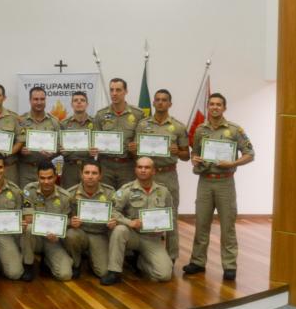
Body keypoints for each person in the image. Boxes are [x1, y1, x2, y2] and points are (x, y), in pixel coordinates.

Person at [183, 93, 255, 281]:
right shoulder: (200, 130)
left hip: (225, 182)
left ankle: (229, 265)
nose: (215, 107)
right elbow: (195, 154)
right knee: (201, 224)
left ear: (224, 108)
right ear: (208, 107)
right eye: (212, 104)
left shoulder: (234, 130)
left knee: (227, 226)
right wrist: (194, 159)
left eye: (218, 104)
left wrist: (233, 163)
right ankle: (197, 262)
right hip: (205, 181)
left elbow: (250, 153)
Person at [134, 89, 189, 262]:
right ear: (153, 103)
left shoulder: (178, 127)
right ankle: (144, 255)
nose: (160, 102)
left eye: (164, 100)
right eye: (157, 100)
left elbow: (187, 156)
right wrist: (133, 148)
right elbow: (136, 152)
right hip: (146, 176)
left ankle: (172, 256)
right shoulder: (143, 125)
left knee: (170, 216)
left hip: (168, 175)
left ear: (170, 104)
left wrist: (178, 151)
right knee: (143, 213)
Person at [105, 157, 174, 285]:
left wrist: (165, 226)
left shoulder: (163, 191)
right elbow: (112, 210)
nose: (143, 170)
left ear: (154, 171)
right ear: (135, 170)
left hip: (153, 239)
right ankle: (114, 272)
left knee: (164, 275)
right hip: (132, 234)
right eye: (140, 167)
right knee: (120, 230)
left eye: (147, 168)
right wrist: (128, 222)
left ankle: (141, 263)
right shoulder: (126, 190)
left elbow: (171, 216)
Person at [64, 161, 118, 279]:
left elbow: (117, 213)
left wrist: (114, 221)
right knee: (71, 235)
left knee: (103, 272)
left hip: (99, 234)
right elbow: (63, 217)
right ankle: (76, 263)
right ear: (81, 174)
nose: (90, 176)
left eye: (94, 173)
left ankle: (91, 258)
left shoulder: (109, 192)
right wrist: (70, 222)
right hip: (79, 232)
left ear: (100, 176)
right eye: (87, 172)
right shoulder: (70, 193)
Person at [22, 160, 73, 281]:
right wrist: (51, 226)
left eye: (50, 178)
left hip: (54, 240)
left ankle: (51, 260)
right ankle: (28, 265)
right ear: (37, 177)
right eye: (42, 178)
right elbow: (29, 218)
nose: (46, 182)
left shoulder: (65, 196)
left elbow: (67, 222)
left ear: (56, 177)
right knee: (29, 228)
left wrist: (58, 235)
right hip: (36, 238)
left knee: (65, 275)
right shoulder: (29, 190)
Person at [93, 78, 145, 189]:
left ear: (126, 92)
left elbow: (142, 141)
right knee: (106, 198)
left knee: (127, 200)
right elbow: (94, 140)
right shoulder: (101, 115)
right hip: (105, 165)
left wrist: (136, 147)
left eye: (118, 90)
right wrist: (93, 148)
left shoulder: (138, 114)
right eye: (111, 90)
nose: (114, 93)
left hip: (127, 165)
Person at [16, 86, 60, 189]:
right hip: (26, 170)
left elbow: (60, 146)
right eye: (36, 99)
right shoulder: (21, 121)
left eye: (42, 99)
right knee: (27, 200)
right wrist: (20, 150)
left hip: (47, 172)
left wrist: (53, 152)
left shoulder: (54, 122)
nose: (39, 102)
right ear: (30, 100)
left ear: (45, 100)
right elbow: (14, 144)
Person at [59, 91, 95, 189]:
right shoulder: (64, 124)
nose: (79, 102)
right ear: (72, 104)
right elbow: (58, 146)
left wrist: (96, 151)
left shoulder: (95, 123)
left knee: (89, 195)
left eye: (82, 100)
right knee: (69, 197)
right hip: (70, 167)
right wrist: (60, 150)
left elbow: (101, 143)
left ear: (87, 104)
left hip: (89, 167)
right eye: (75, 100)